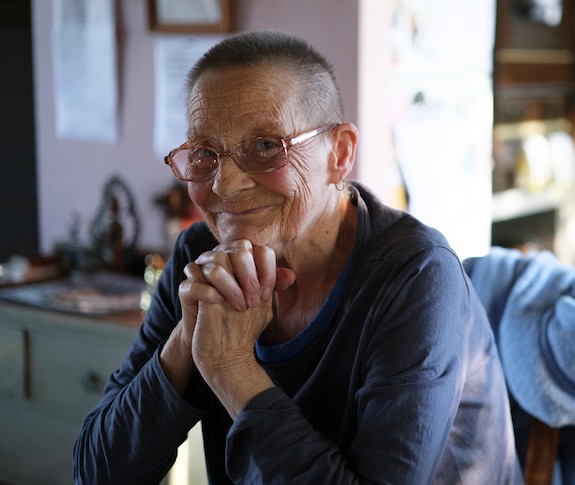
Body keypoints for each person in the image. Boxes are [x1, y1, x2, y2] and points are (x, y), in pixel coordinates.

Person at [74, 30, 521, 484]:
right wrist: (187, 339)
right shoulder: (200, 259)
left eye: (267, 146)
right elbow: (96, 474)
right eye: (205, 152)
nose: (225, 185)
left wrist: (231, 367)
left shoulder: (416, 276)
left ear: (340, 153)